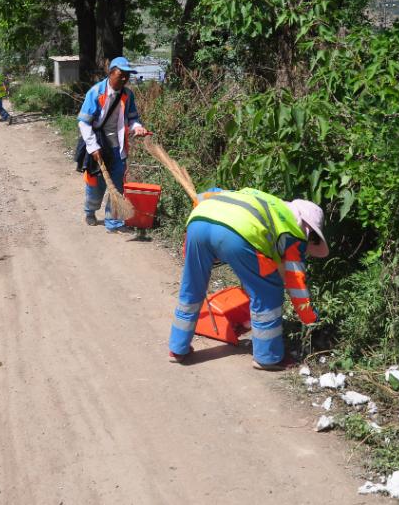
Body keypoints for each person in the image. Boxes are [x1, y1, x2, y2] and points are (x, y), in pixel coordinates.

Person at [168, 188, 329, 370]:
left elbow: (210, 193)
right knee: (268, 292)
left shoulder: (265, 201)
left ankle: (177, 348)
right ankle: (267, 357)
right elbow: (296, 285)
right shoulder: (294, 232)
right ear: (309, 231)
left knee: (192, 287)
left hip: (199, 221)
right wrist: (310, 319)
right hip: (236, 233)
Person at [77, 56, 149, 233]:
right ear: (111, 73)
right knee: (95, 185)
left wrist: (137, 127)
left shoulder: (127, 95)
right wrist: (93, 147)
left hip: (118, 148)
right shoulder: (96, 93)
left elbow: (132, 119)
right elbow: (84, 122)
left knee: (117, 185)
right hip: (97, 144)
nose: (124, 78)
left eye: (127, 75)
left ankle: (113, 222)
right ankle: (90, 211)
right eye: (121, 74)